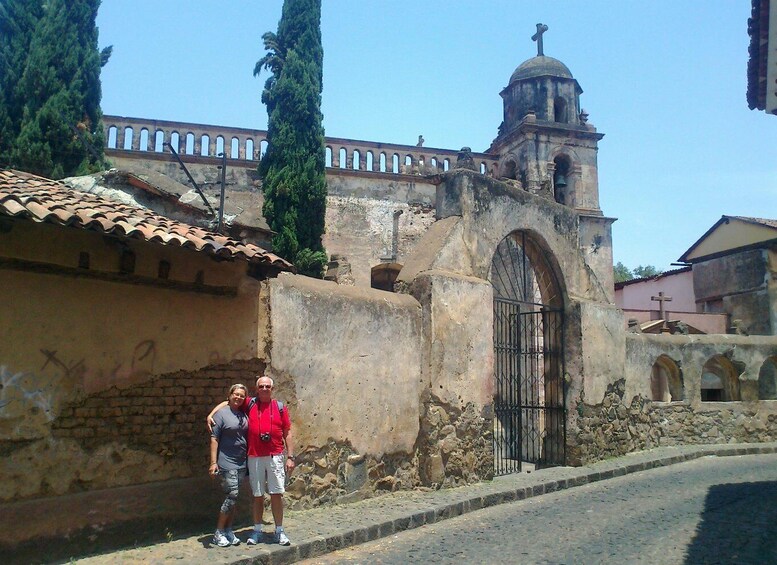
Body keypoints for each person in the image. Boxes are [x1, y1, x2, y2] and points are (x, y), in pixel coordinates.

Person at [208, 375, 295, 546]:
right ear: (257, 389)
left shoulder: (279, 407)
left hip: (275, 455)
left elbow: (287, 432)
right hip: (254, 456)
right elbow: (231, 401)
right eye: (261, 386)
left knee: (277, 493)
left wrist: (290, 456)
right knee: (257, 495)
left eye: (267, 386)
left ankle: (279, 531)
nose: (264, 389)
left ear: (272, 389)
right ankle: (257, 530)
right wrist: (211, 414)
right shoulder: (251, 403)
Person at [209, 383, 249, 547]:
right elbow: (214, 438)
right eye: (236, 394)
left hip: (242, 461)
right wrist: (213, 462)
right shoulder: (221, 415)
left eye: (241, 395)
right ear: (229, 395)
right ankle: (218, 532)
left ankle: (228, 530)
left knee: (234, 497)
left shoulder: (243, 413)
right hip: (227, 461)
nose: (238, 397)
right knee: (231, 495)